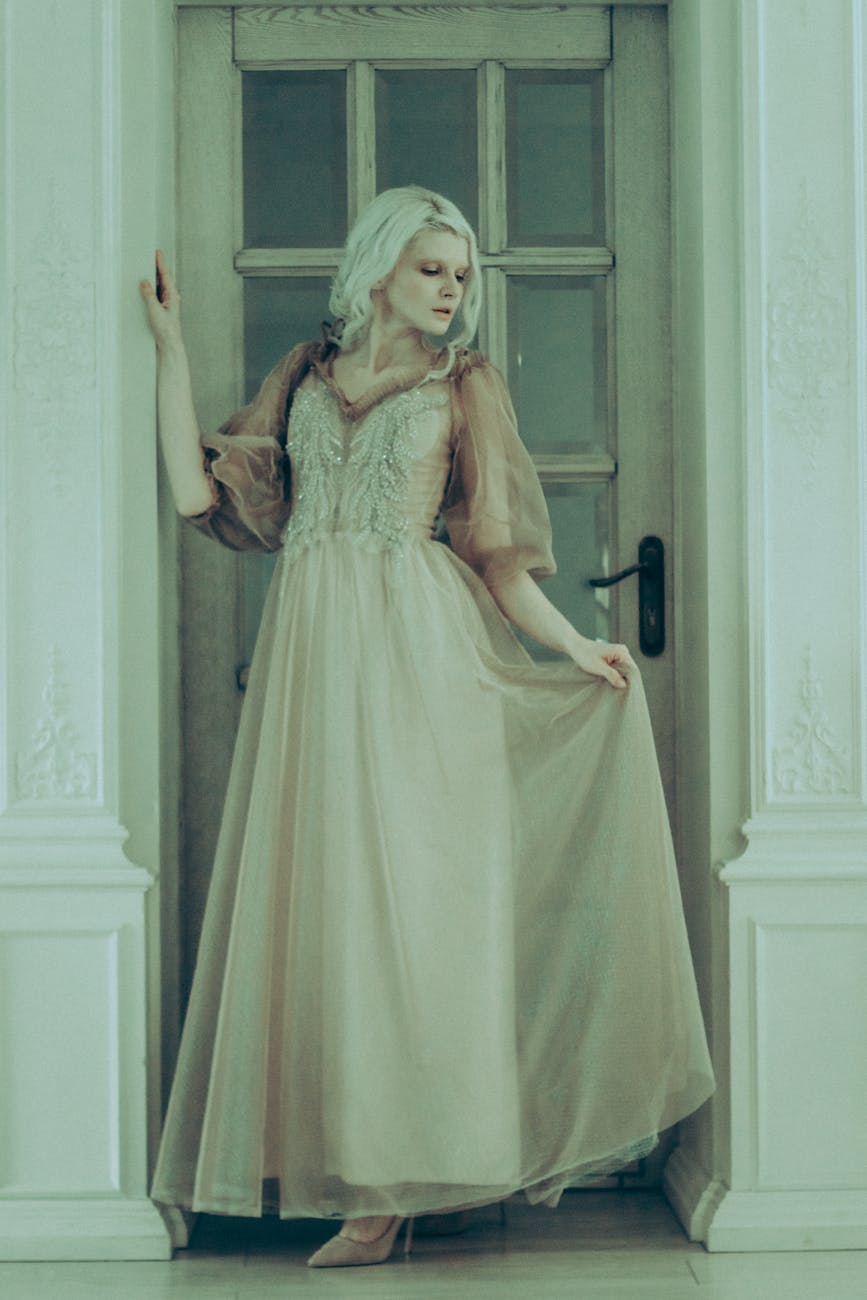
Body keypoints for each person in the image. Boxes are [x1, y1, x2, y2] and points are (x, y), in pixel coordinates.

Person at [141, 186, 714, 1269]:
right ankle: (366, 1174)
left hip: (425, 669)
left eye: (461, 274)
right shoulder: (306, 377)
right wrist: (168, 347)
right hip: (314, 668)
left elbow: (497, 556)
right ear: (376, 271)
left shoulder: (467, 387)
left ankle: (416, 1173)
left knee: (426, 914)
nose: (452, 290)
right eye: (431, 269)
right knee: (334, 912)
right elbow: (193, 496)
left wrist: (574, 647)